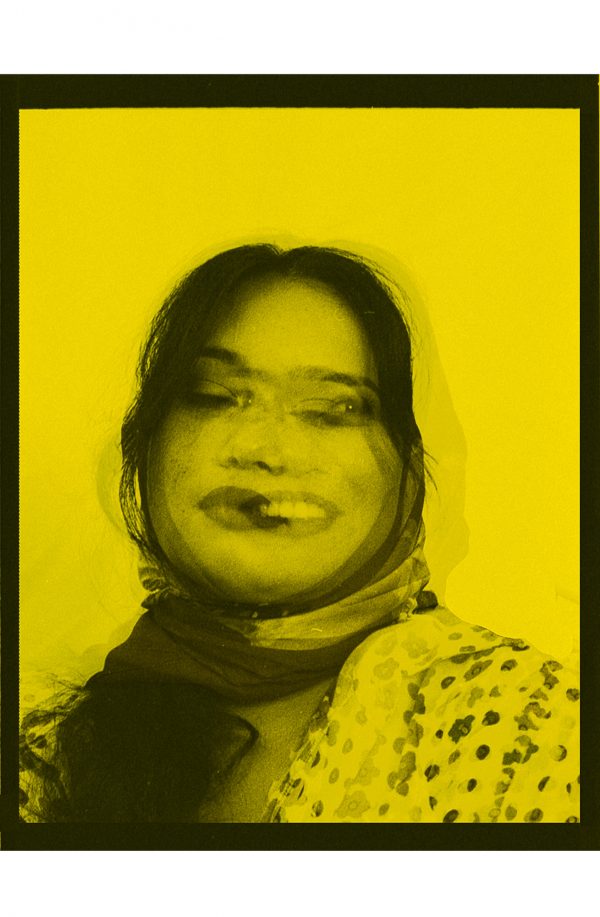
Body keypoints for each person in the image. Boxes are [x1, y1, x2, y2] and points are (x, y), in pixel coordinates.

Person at [20, 244, 580, 823]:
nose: (266, 450)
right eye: (213, 396)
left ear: (410, 473)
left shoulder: (528, 724)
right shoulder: (45, 752)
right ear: (143, 445)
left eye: (332, 410)